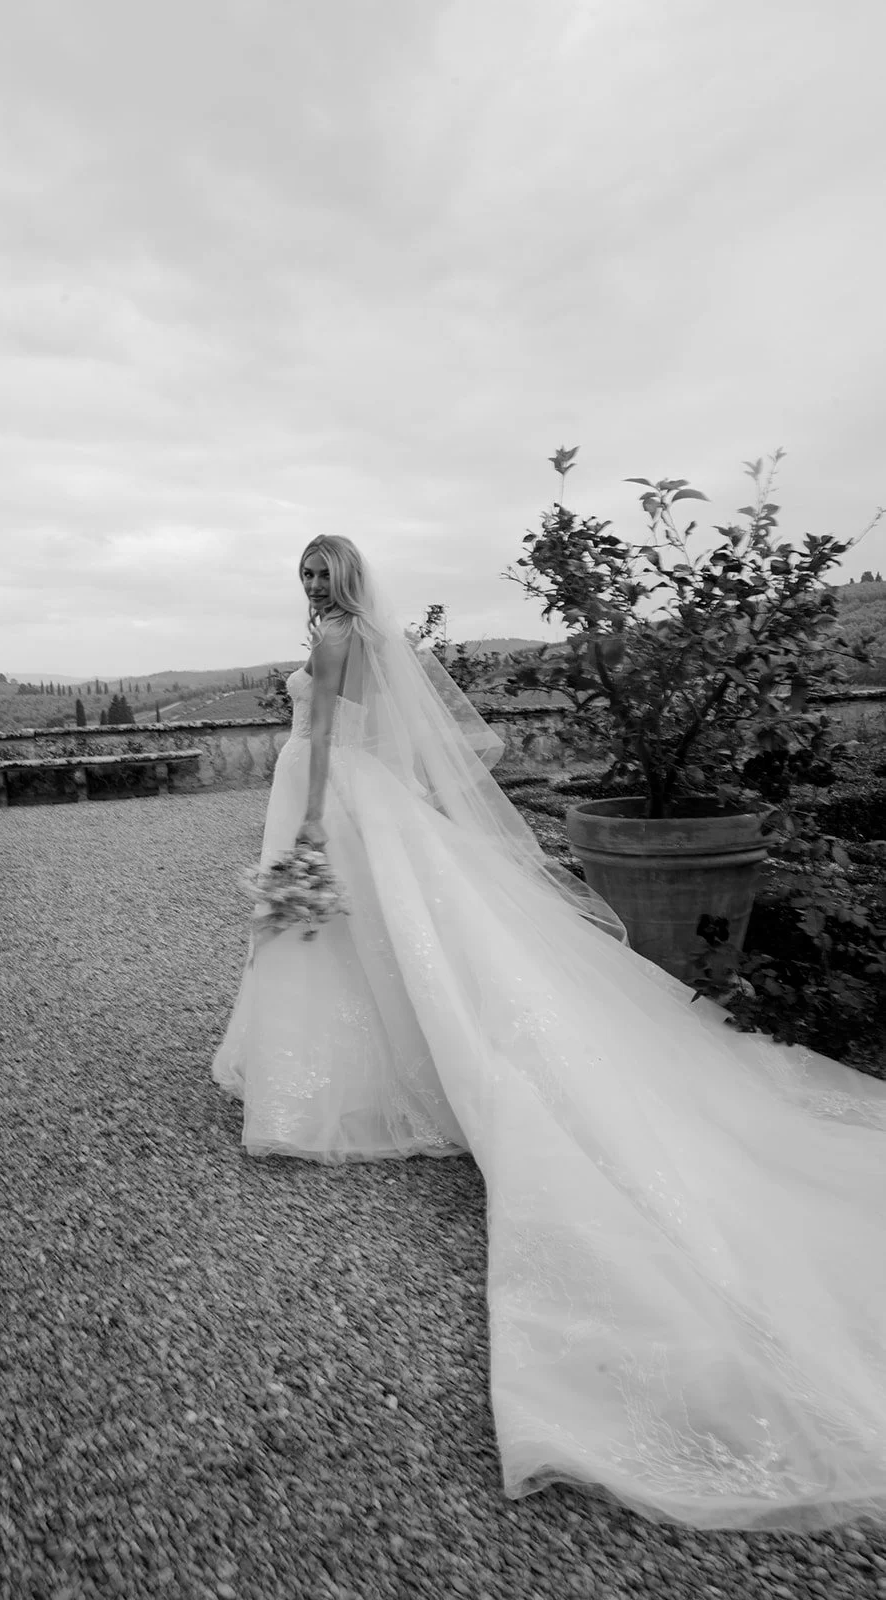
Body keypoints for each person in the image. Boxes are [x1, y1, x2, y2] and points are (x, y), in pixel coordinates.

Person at [213, 535, 886, 1532]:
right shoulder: (355, 635)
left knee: (356, 937)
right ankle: (368, 1067)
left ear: (345, 577)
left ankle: (356, 1081)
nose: (313, 584)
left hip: (333, 797)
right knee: (375, 944)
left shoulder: (339, 636)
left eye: (324, 570)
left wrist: (310, 827)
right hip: (358, 795)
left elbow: (329, 739)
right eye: (304, 571)